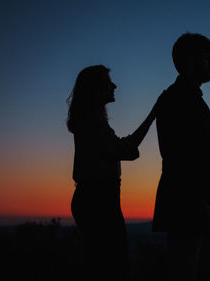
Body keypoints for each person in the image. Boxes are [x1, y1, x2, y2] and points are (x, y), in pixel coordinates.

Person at [67, 65, 156, 281]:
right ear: (94, 89)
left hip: (95, 199)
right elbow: (126, 150)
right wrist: (153, 115)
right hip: (99, 201)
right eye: (108, 82)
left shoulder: (93, 122)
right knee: (113, 267)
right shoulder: (92, 123)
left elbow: (122, 148)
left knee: (101, 264)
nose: (114, 86)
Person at [152, 33, 210, 281]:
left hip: (189, 202)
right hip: (188, 203)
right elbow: (183, 157)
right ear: (191, 60)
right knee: (184, 270)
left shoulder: (183, 98)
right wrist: (200, 201)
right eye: (207, 58)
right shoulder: (181, 100)